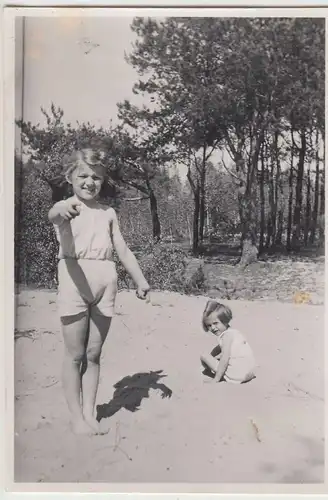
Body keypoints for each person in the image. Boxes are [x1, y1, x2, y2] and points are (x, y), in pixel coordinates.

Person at [48, 148, 150, 435]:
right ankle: (76, 418)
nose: (90, 182)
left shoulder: (108, 213)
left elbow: (123, 250)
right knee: (75, 354)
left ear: (103, 180)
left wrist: (140, 280)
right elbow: (53, 214)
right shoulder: (66, 207)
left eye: (96, 177)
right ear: (70, 177)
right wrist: (61, 210)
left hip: (106, 281)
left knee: (93, 354)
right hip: (74, 278)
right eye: (83, 175)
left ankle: (91, 413)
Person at [200, 300, 255, 384]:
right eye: (209, 325)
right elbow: (225, 350)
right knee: (217, 351)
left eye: (215, 323)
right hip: (249, 372)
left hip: (236, 375)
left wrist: (216, 379)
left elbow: (225, 358)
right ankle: (212, 365)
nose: (213, 328)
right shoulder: (234, 332)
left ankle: (208, 371)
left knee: (203, 356)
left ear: (225, 320)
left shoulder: (226, 336)